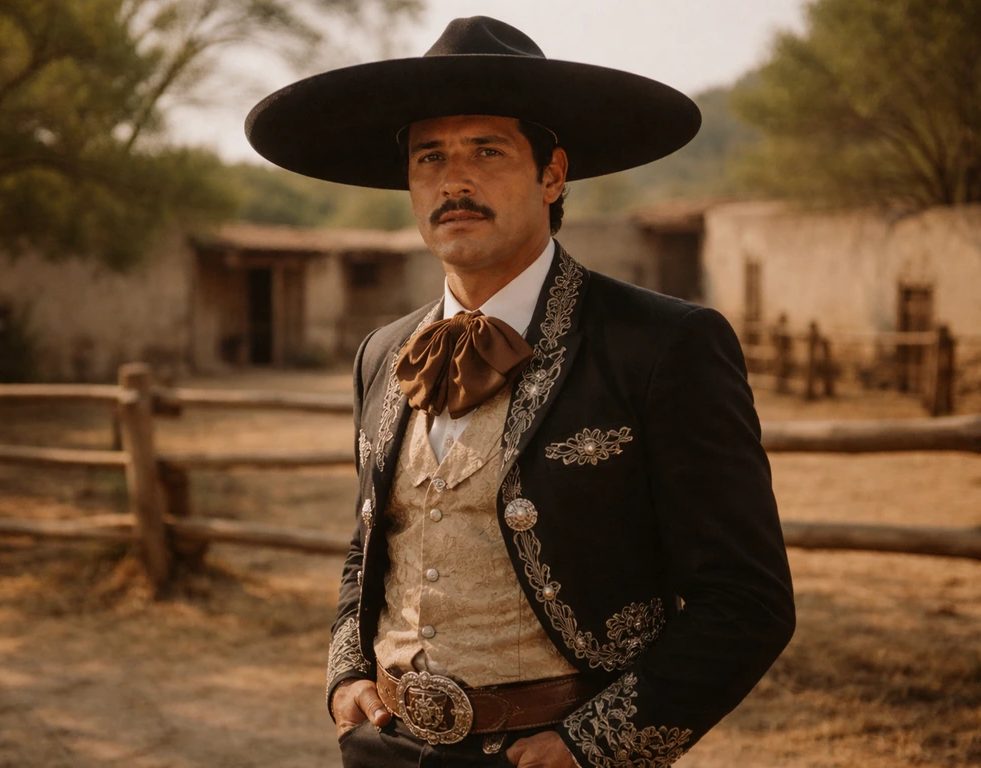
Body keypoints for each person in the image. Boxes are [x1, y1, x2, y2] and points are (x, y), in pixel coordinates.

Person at [246, 16, 796, 768]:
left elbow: (747, 601)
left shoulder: (664, 344)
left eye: (487, 151)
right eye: (430, 157)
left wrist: (590, 746)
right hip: (383, 747)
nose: (454, 181)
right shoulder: (381, 354)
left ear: (553, 175)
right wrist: (345, 675)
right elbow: (372, 541)